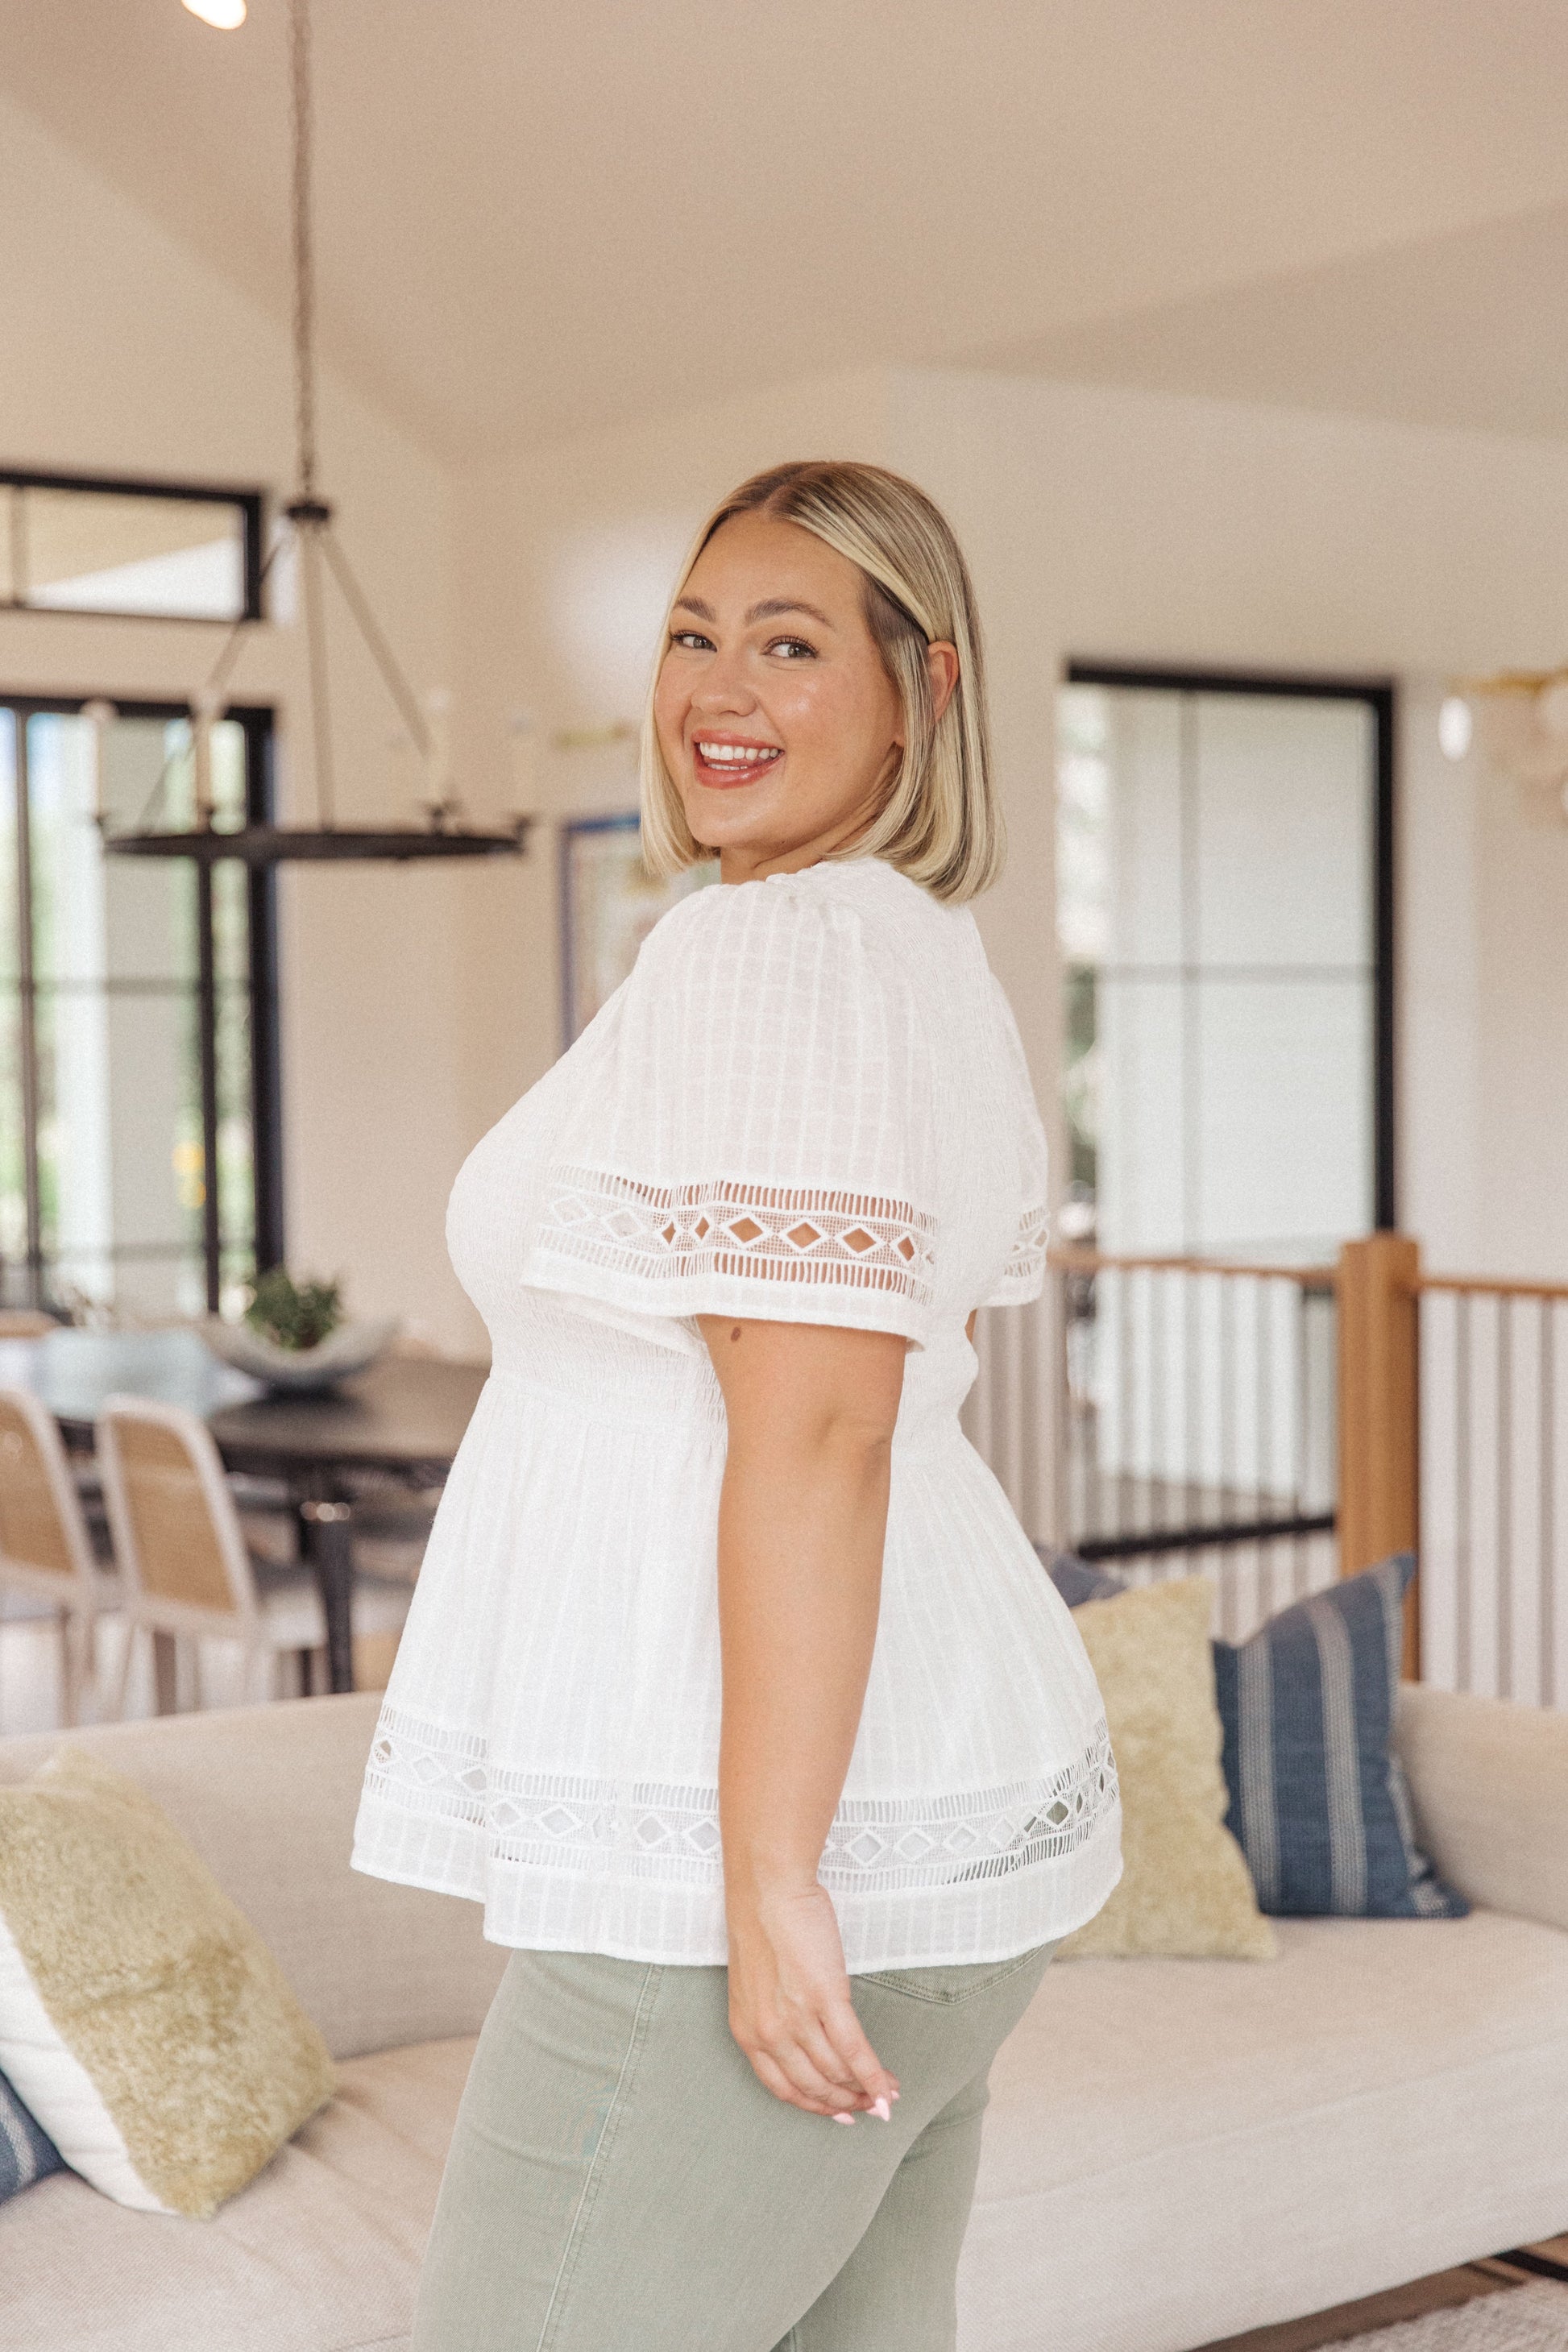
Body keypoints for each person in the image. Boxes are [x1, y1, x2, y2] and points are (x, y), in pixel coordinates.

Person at [353, 459, 1121, 2352]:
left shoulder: (773, 950)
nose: (717, 687)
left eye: (789, 644)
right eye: (693, 635)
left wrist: (771, 1881)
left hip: (737, 1852)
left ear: (922, 689)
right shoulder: (894, 942)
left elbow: (823, 1429)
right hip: (926, 1814)